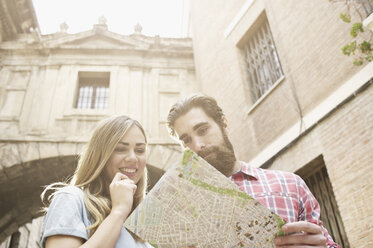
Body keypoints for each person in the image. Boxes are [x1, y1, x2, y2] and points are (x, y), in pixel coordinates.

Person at [167, 94, 341, 248]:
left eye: (203, 130)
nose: (197, 146)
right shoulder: (182, 211)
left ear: (223, 123)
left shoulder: (290, 185)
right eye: (187, 140)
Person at [40, 115, 152, 248]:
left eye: (140, 150)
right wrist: (119, 211)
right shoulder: (71, 198)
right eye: (120, 149)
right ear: (100, 155)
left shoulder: (144, 220)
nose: (133, 158)